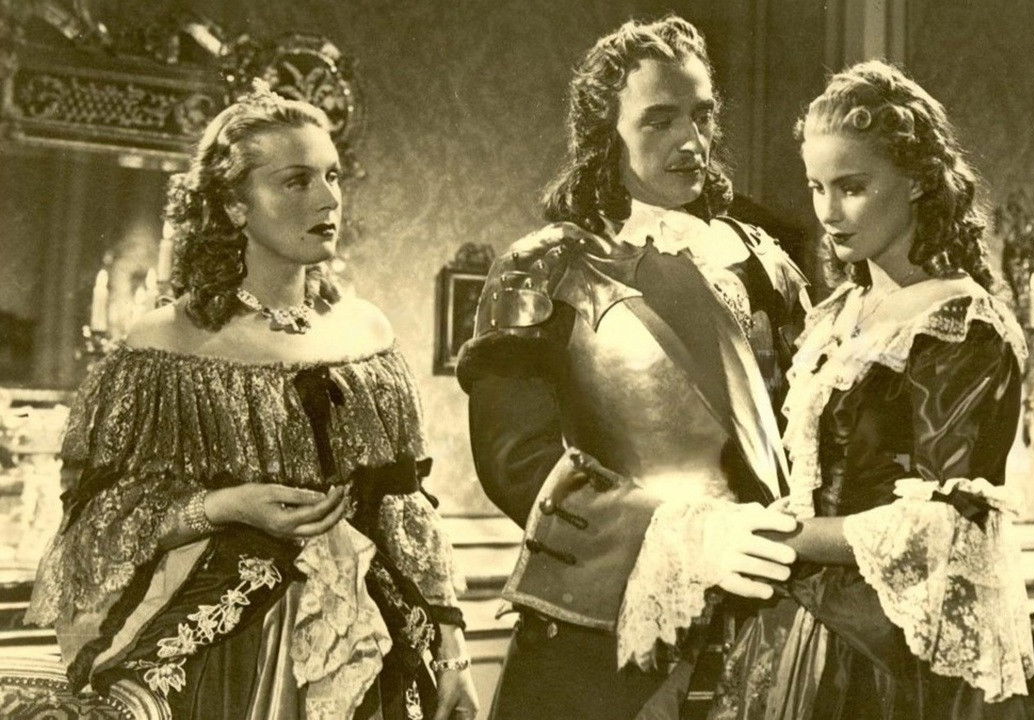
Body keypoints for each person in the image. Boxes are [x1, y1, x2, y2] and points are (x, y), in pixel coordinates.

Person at [26, 84, 479, 720]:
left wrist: (453, 653)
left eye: (332, 176)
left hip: (372, 636)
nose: (328, 199)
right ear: (235, 206)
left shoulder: (368, 333)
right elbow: (100, 523)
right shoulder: (165, 345)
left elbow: (406, 511)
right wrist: (225, 506)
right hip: (227, 650)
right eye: (296, 181)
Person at [457, 15, 810, 720]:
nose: (691, 140)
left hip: (765, 623)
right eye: (659, 119)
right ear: (605, 134)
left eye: (702, 115)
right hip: (603, 638)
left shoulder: (766, 263)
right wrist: (685, 536)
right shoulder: (544, 268)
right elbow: (516, 464)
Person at [708, 61, 1034, 719]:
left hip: (896, 649)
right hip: (798, 624)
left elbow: (944, 524)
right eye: (816, 188)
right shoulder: (836, 315)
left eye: (852, 188)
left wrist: (789, 537)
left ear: (917, 180)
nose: (829, 213)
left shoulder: (961, 324)